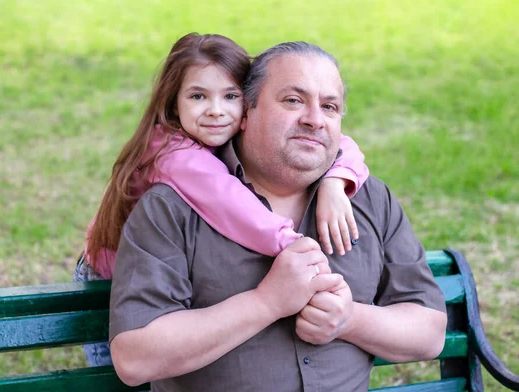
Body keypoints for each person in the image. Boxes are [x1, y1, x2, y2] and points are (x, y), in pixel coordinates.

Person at [108, 41, 447, 391]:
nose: (314, 119)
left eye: (329, 107)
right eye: (293, 101)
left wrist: (350, 319)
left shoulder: (370, 199)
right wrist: (265, 303)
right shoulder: (172, 207)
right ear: (246, 112)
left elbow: (429, 332)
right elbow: (135, 358)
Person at [74, 33, 369, 366]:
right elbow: (231, 205)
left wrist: (335, 179)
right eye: (198, 96)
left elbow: (342, 143)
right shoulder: (173, 154)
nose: (216, 111)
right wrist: (296, 248)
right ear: (173, 105)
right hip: (112, 276)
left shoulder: (212, 134)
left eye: (230, 96)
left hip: (165, 270)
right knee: (125, 377)